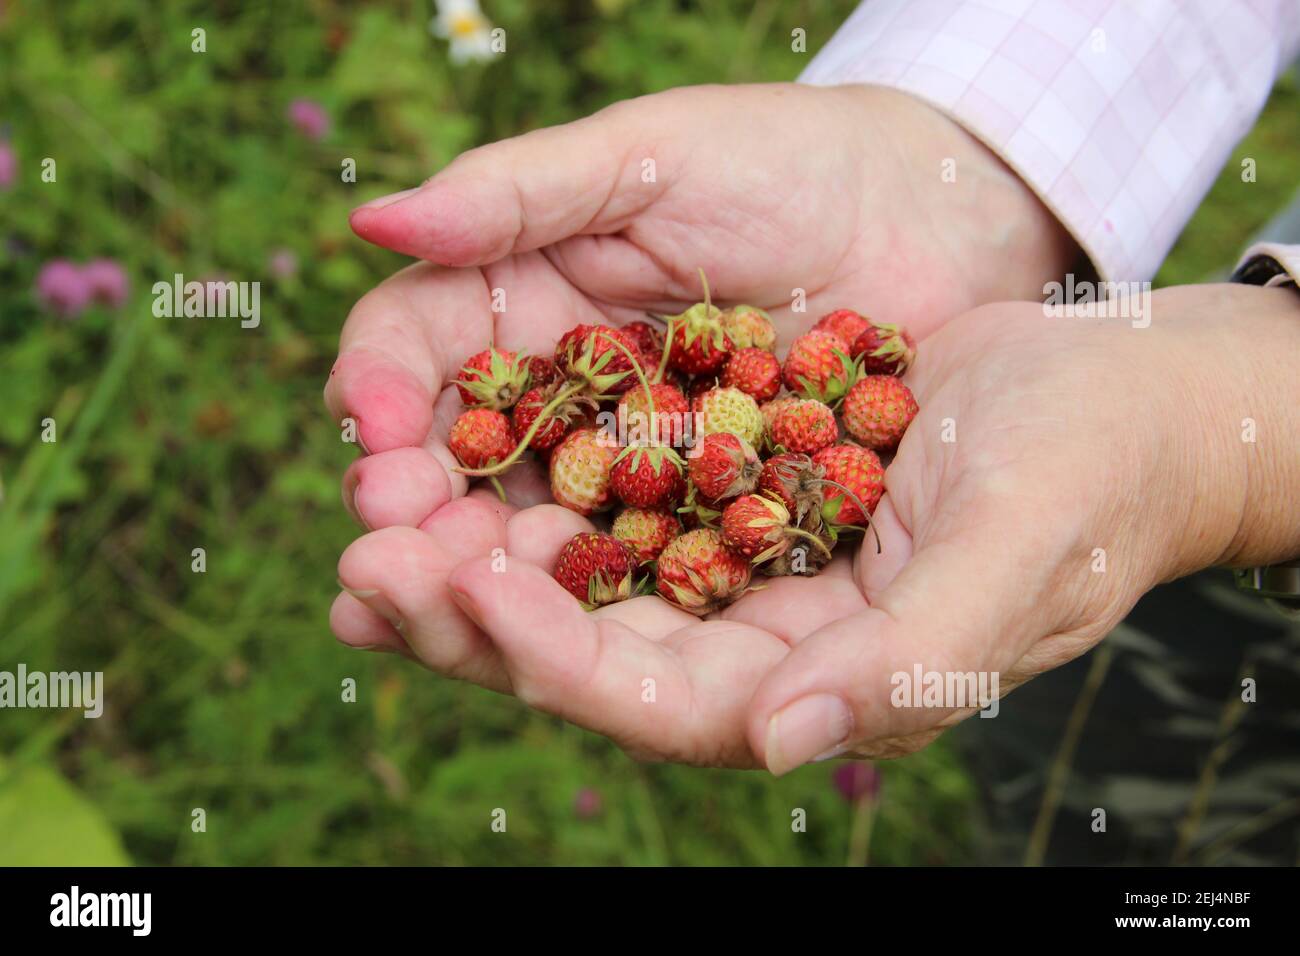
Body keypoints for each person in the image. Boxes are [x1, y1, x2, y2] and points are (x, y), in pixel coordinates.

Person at [325, 1, 1300, 861]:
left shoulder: (759, 448)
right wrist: (958, 158)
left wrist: (1215, 414)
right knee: (1112, 771)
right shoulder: (731, 436)